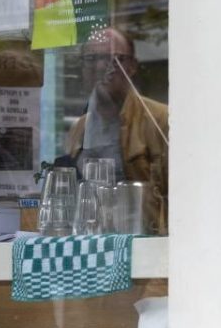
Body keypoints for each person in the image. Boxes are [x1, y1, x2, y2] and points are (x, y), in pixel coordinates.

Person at [58, 26, 170, 233]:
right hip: (91, 245)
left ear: (132, 67)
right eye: (91, 59)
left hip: (143, 247)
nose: (101, 66)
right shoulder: (80, 128)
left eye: (114, 58)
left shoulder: (160, 120)